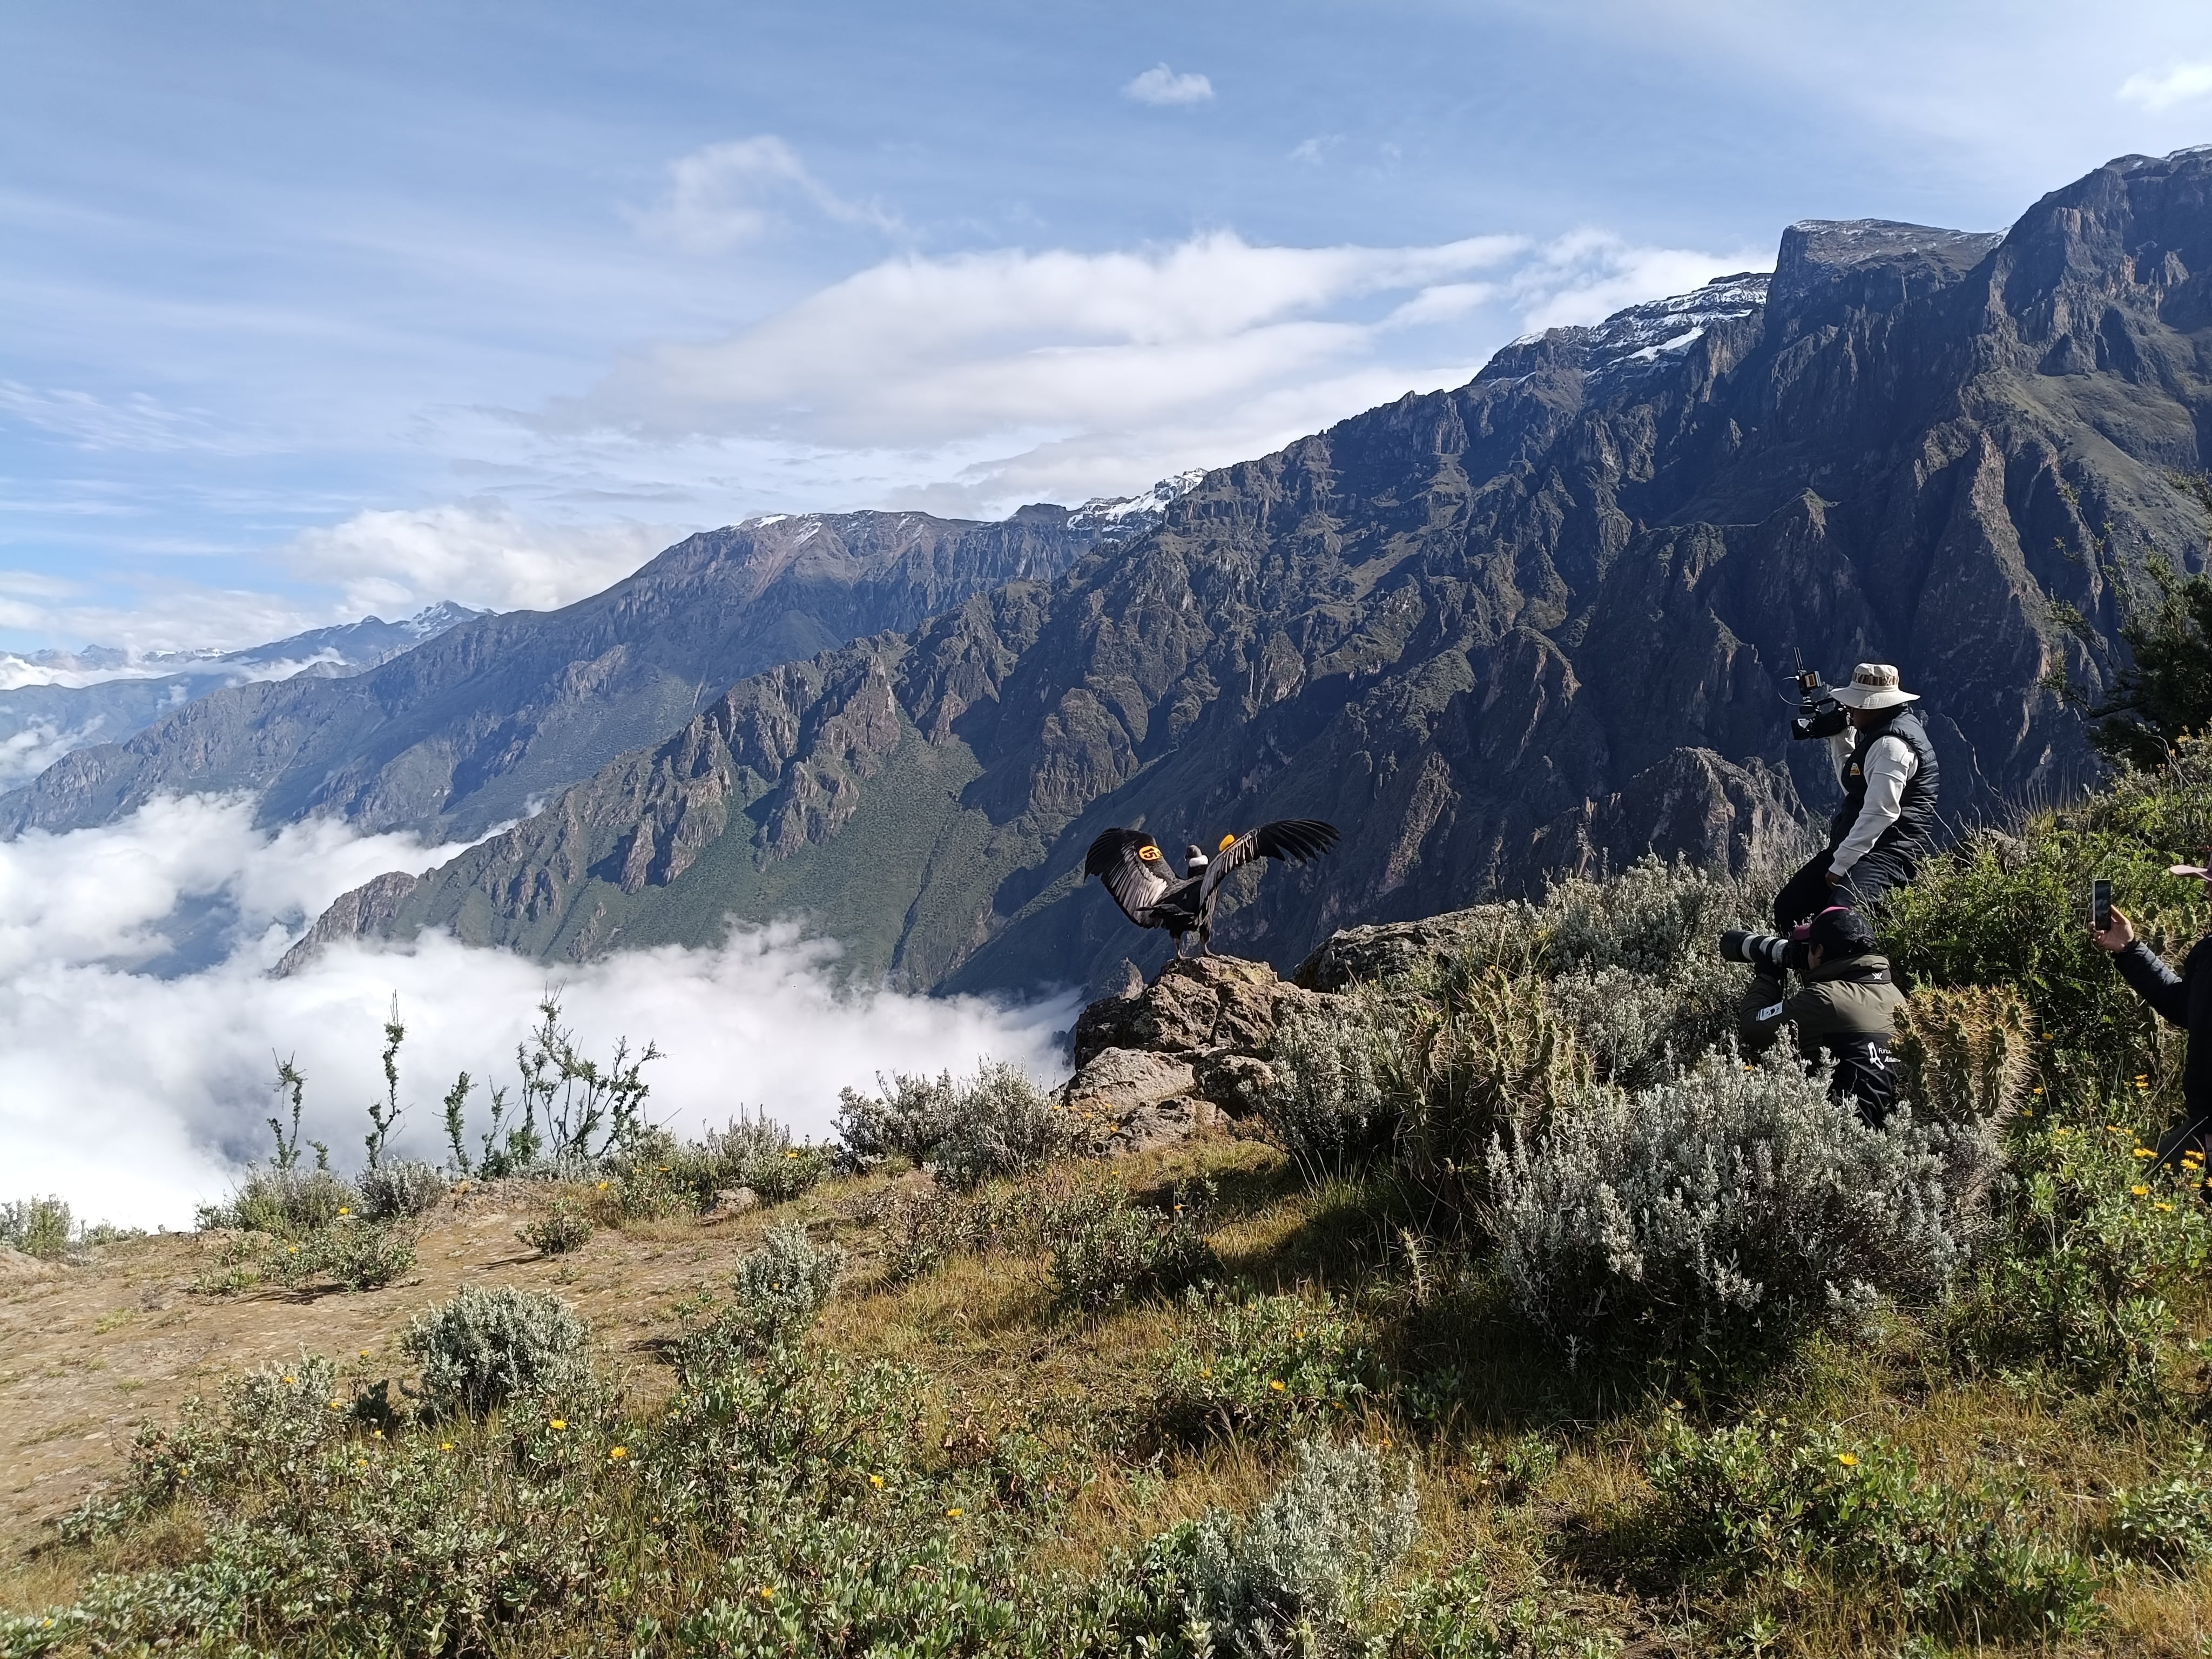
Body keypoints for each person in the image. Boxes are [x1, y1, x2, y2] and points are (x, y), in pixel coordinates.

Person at [1772, 662, 1943, 931]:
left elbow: (1881, 811)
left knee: (1840, 921)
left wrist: (1841, 863)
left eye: (1854, 705)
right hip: (1862, 846)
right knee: (1789, 907)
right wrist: (1840, 738)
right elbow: (1858, 787)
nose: (1849, 711)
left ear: (1872, 706)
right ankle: (1810, 967)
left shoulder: (1892, 745)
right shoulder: (1881, 734)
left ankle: (1852, 970)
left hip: (1888, 853)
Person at [1735, 906, 1905, 1125]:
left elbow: (1753, 1025)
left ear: (1819, 952)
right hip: (1887, 1134)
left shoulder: (1825, 999)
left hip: (1838, 1136)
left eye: (1808, 948)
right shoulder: (1897, 996)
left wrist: (1767, 977)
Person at [2092, 887, 2212, 1175]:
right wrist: (2130, 949)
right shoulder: (2209, 952)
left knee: (2156, 1184)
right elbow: (2184, 1006)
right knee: (2156, 1180)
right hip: (2205, 1120)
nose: (2208, 893)